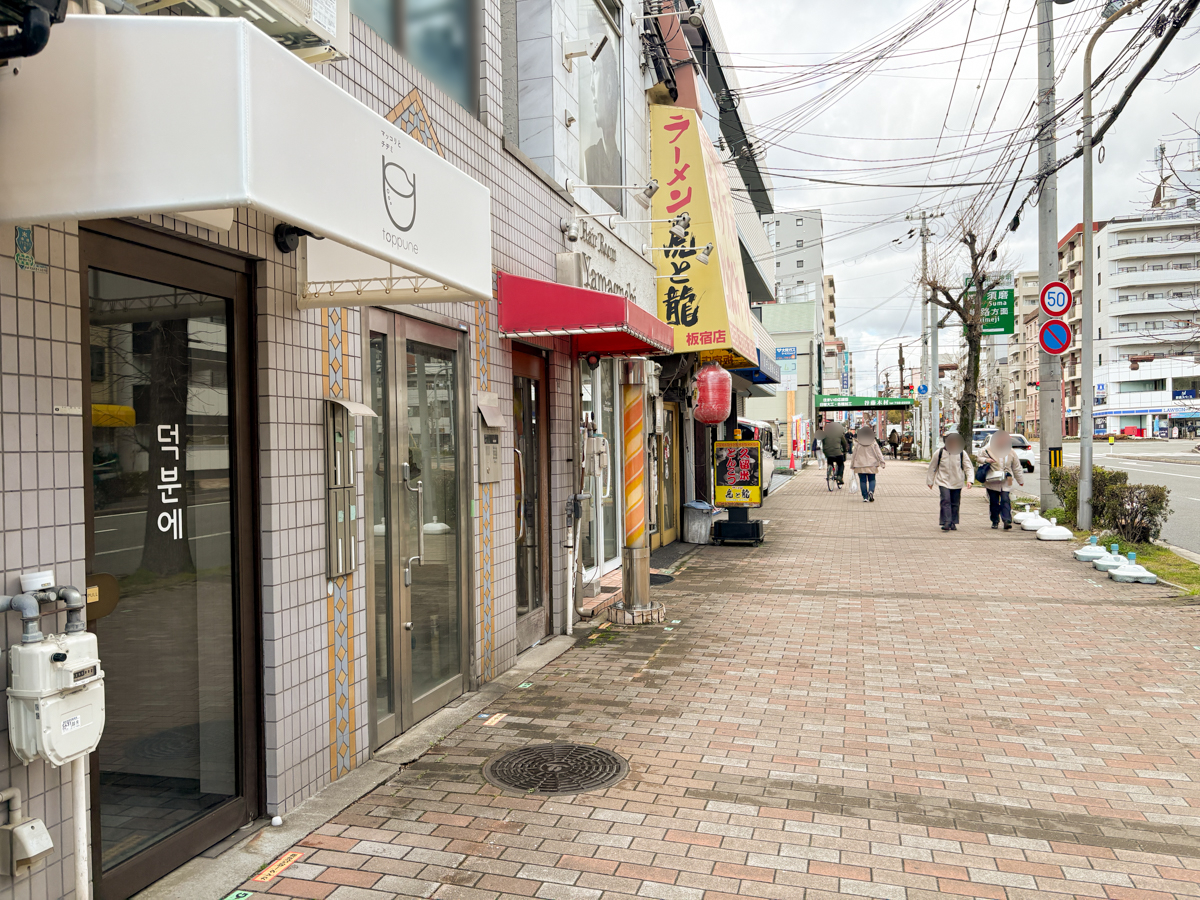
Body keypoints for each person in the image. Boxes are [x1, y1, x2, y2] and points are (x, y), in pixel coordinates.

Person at [977, 430, 1024, 530]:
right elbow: (979, 458)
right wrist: (986, 460)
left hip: (1007, 479)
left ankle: (1007, 520)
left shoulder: (1011, 452)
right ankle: (995, 520)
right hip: (992, 479)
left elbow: (1016, 467)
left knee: (1005, 500)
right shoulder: (988, 449)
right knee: (994, 502)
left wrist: (1020, 480)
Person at [926, 431, 973, 531]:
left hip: (957, 481)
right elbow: (932, 467)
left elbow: (968, 467)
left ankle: (953, 522)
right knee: (945, 500)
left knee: (955, 503)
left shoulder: (961, 453)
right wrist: (930, 481)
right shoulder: (939, 453)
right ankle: (946, 521)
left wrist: (970, 480)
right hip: (943, 481)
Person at [849, 425, 886, 502]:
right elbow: (879, 453)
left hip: (860, 465)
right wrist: (882, 462)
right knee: (872, 479)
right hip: (872, 464)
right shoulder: (873, 442)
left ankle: (865, 497)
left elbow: (854, 455)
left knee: (863, 481)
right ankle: (871, 492)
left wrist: (852, 465)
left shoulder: (857, 443)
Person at [820, 420, 849, 485]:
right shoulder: (839, 434)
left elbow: (823, 442)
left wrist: (825, 450)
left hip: (827, 452)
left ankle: (830, 470)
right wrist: (845, 450)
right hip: (837, 452)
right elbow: (844, 443)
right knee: (841, 463)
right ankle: (839, 476)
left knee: (830, 460)